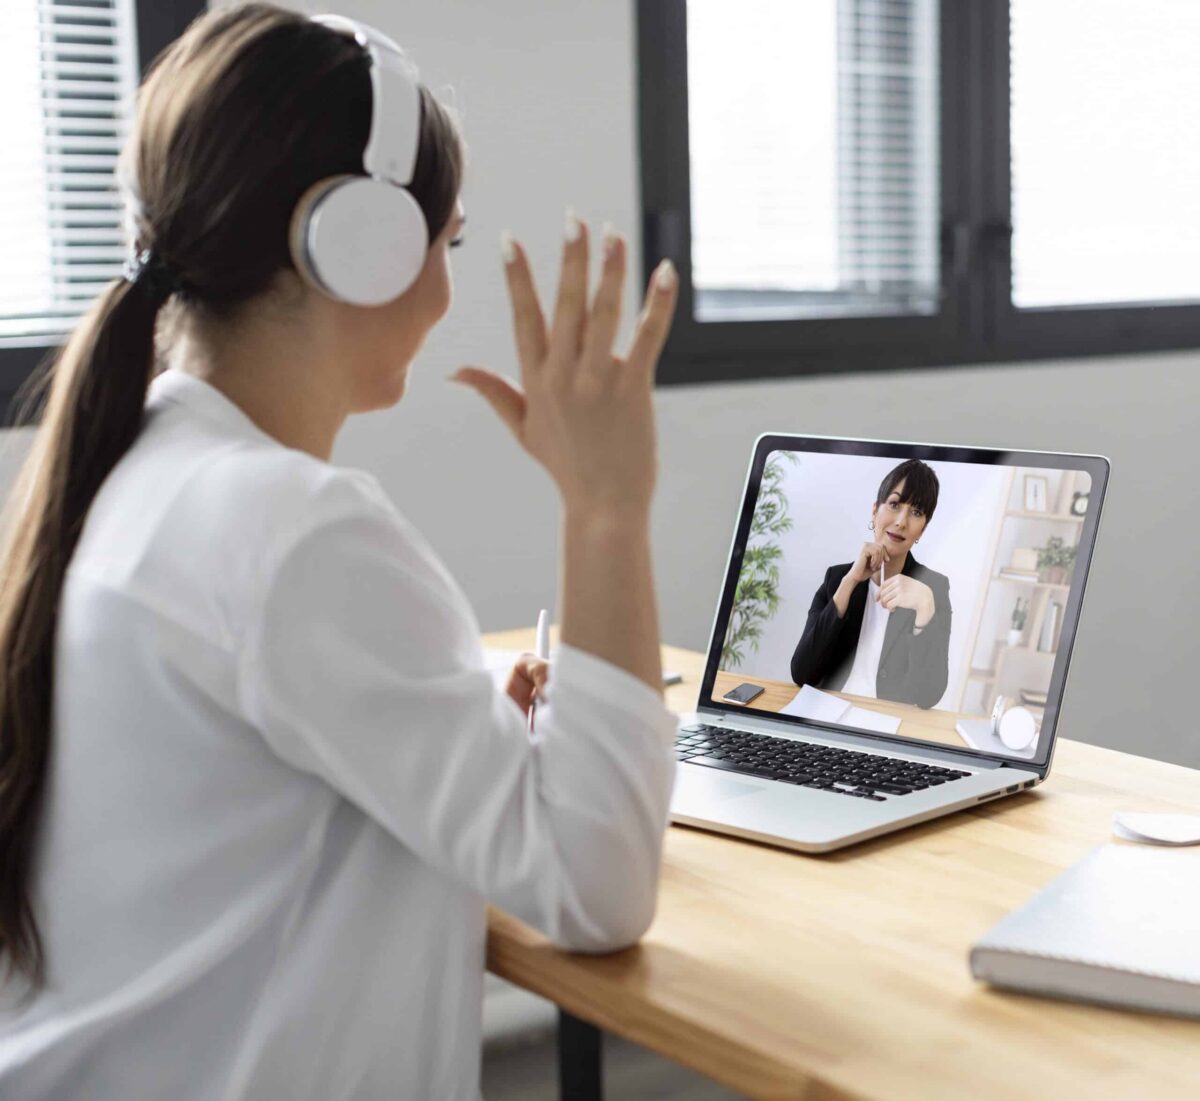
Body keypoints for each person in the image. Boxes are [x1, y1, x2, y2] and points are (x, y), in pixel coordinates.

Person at [0, 6, 679, 1098]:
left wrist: (460, 716)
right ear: (359, 245)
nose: (448, 290)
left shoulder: (142, 474)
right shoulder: (292, 529)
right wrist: (607, 506)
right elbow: (596, 890)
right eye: (443, 244)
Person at [790, 459, 951, 709]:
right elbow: (801, 673)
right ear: (875, 510)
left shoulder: (932, 589)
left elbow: (928, 696)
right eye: (894, 504)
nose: (901, 521)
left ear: (922, 530)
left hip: (887, 725)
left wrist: (925, 608)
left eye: (916, 512)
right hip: (828, 714)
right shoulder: (837, 579)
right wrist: (850, 583)